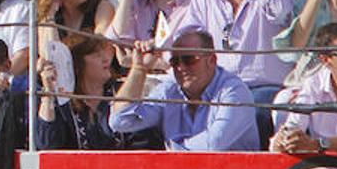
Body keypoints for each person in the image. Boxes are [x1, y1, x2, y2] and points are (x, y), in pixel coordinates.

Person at [183, 0, 293, 141]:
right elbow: (186, 41)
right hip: (218, 89)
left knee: (252, 111)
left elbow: (280, 10)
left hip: (264, 89)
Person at [109, 29, 258, 150]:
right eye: (175, 62)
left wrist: (171, 152)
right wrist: (139, 68)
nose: (181, 68)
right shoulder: (169, 90)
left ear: (212, 60)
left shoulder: (235, 91)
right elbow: (120, 121)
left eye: (189, 60)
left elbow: (214, 144)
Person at [36, 34, 162, 149]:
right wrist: (48, 94)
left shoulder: (121, 91)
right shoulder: (63, 102)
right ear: (76, 63)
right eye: (96, 54)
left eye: (105, 53)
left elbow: (144, 140)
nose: (106, 59)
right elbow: (47, 144)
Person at [271, 23, 337, 154]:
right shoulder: (313, 83)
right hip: (324, 165)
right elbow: (295, 123)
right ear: (325, 59)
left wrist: (318, 144)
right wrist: (284, 141)